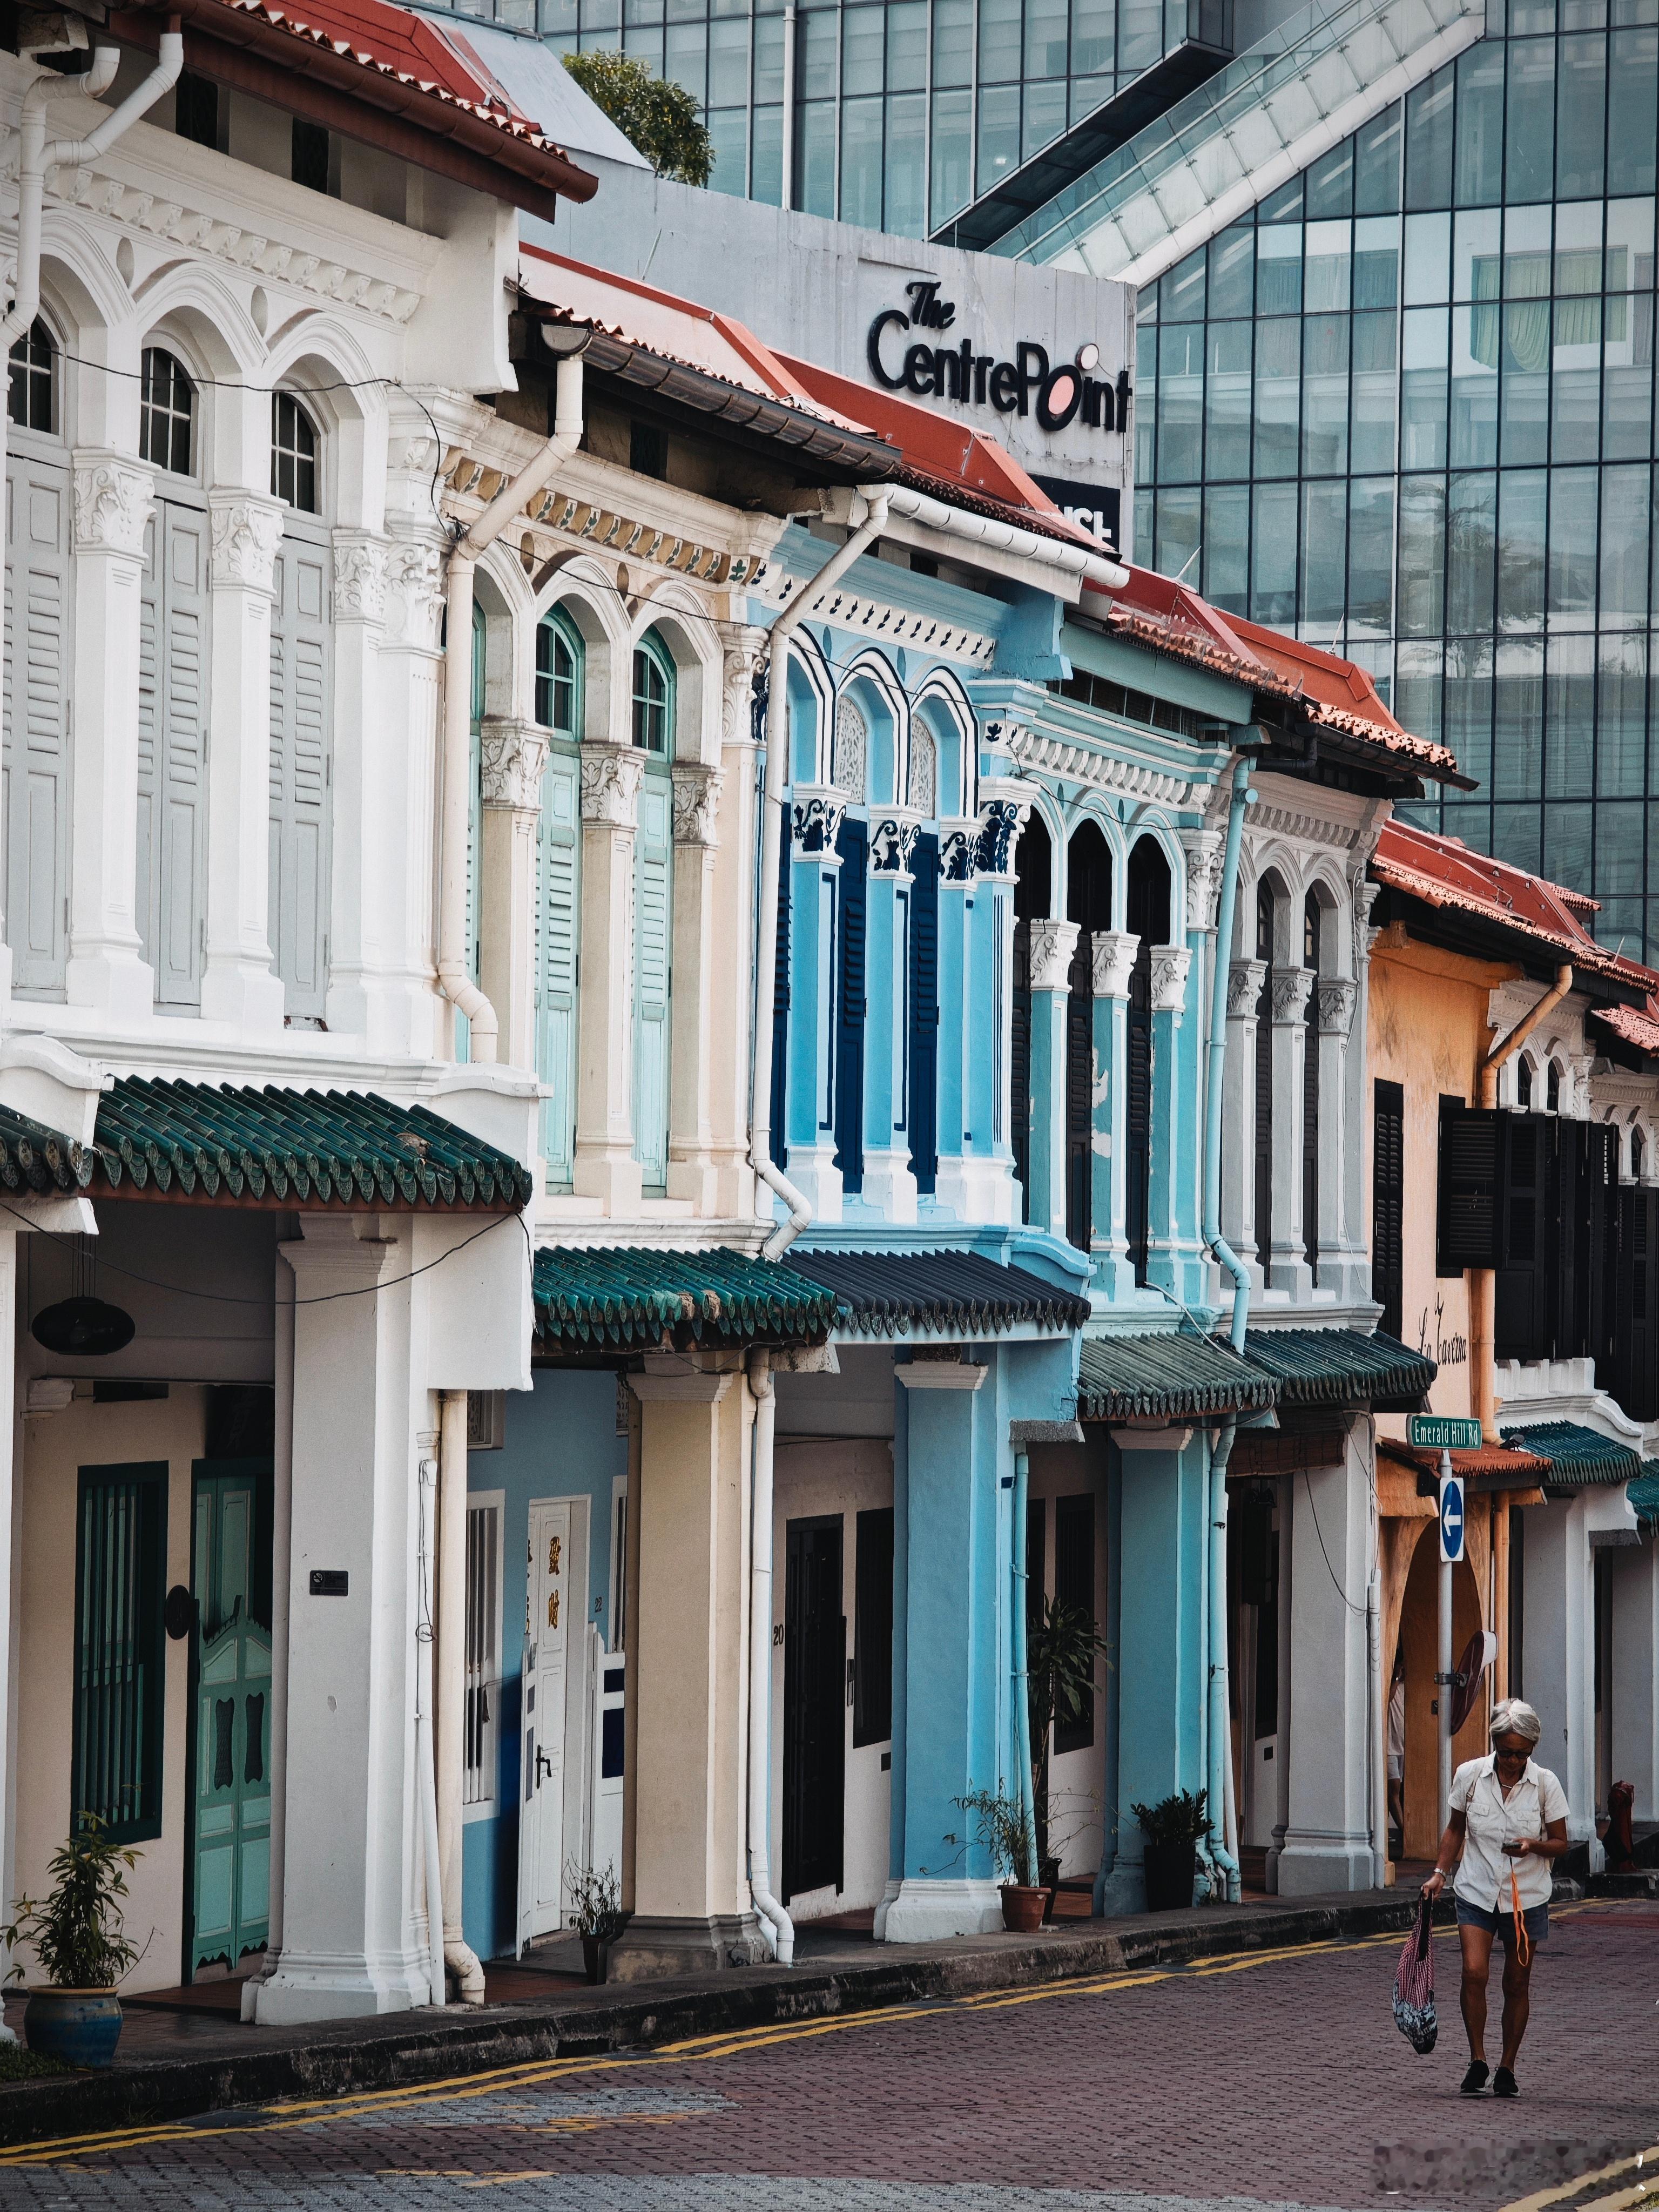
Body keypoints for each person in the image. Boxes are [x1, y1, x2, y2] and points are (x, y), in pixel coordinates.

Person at [1420, 1698, 1569, 2098]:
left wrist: (1533, 1845)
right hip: (1476, 1889)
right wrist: (1439, 1873)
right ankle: (1478, 2060)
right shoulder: (1470, 1775)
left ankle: (1507, 2067)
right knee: (1473, 1972)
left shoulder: (1546, 1784)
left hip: (1527, 1898)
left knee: (1517, 1983)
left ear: (1532, 1750)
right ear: (1494, 1744)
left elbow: (1561, 1843)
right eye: (1506, 1752)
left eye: (1522, 1754)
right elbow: (1455, 1830)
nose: (1513, 1761)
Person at [1387, 1651, 1406, 1853]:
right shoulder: (1393, 1687)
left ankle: (1405, 1831)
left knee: (1400, 1789)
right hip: (1389, 1746)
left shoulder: (1407, 1689)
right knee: (1394, 1789)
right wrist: (1396, 1677)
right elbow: (1389, 1699)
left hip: (1403, 1745)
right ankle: (1404, 1831)